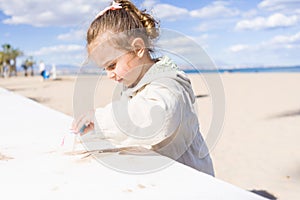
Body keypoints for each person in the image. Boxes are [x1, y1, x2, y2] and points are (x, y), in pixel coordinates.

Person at [72, 0, 214, 176]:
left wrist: (100, 119)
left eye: (112, 65)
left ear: (138, 48)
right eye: (104, 69)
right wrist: (97, 132)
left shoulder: (169, 83)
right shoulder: (132, 84)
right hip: (162, 173)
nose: (109, 75)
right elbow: (130, 126)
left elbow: (158, 118)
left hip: (192, 177)